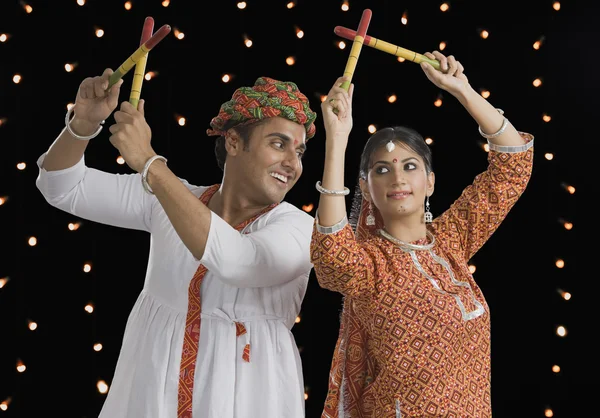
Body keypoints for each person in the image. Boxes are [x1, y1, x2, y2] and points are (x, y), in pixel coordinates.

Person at [35, 69, 318, 418]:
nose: (293, 163)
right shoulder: (168, 199)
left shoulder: (301, 228)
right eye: (278, 144)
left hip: (247, 399)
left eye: (300, 151)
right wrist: (82, 124)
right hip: (150, 395)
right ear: (233, 142)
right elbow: (61, 187)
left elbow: (238, 262)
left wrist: (149, 162)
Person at [310, 51, 534, 417]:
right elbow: (332, 259)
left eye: (410, 166)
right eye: (381, 170)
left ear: (429, 182)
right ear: (366, 190)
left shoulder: (451, 241)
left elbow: (514, 164)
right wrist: (336, 140)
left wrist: (463, 91)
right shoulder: (371, 266)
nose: (397, 177)